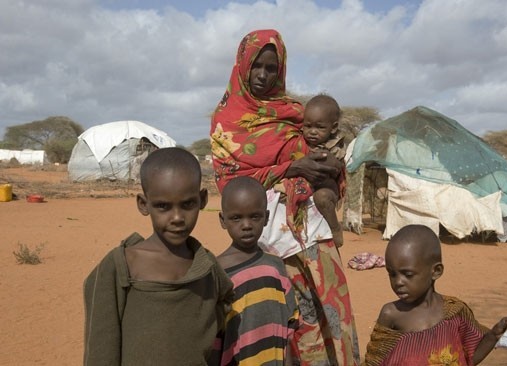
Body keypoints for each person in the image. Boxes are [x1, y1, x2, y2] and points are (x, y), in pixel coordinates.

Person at [211, 29, 360, 366]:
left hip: (314, 232)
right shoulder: (226, 121)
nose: (263, 75)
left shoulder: (295, 113)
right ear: (242, 66)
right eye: (257, 67)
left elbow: (327, 164)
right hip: (267, 238)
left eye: (271, 68)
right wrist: (291, 169)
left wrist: (322, 171)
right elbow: (229, 183)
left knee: (332, 315)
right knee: (289, 322)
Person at [83, 147, 234, 366]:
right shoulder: (123, 265)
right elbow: (100, 346)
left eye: (187, 204)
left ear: (202, 200)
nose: (177, 218)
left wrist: (202, 332)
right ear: (144, 205)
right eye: (163, 206)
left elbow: (226, 299)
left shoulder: (205, 265)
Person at [365, 224, 507, 366]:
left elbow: (469, 358)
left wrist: (493, 336)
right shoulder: (391, 314)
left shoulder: (455, 313)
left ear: (436, 271)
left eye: (408, 274)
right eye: (392, 274)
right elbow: (374, 362)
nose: (398, 282)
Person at [211, 176, 298, 366]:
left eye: (255, 216)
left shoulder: (276, 266)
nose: (247, 225)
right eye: (236, 218)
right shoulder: (216, 272)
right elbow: (212, 338)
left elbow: (289, 325)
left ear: (266, 218)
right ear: (223, 220)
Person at [301, 94, 347, 247]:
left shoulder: (336, 143)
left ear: (333, 128)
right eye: (308, 126)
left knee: (322, 197)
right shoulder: (297, 141)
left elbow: (336, 167)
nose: (312, 132)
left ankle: (335, 228)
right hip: (305, 187)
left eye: (320, 127)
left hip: (327, 187)